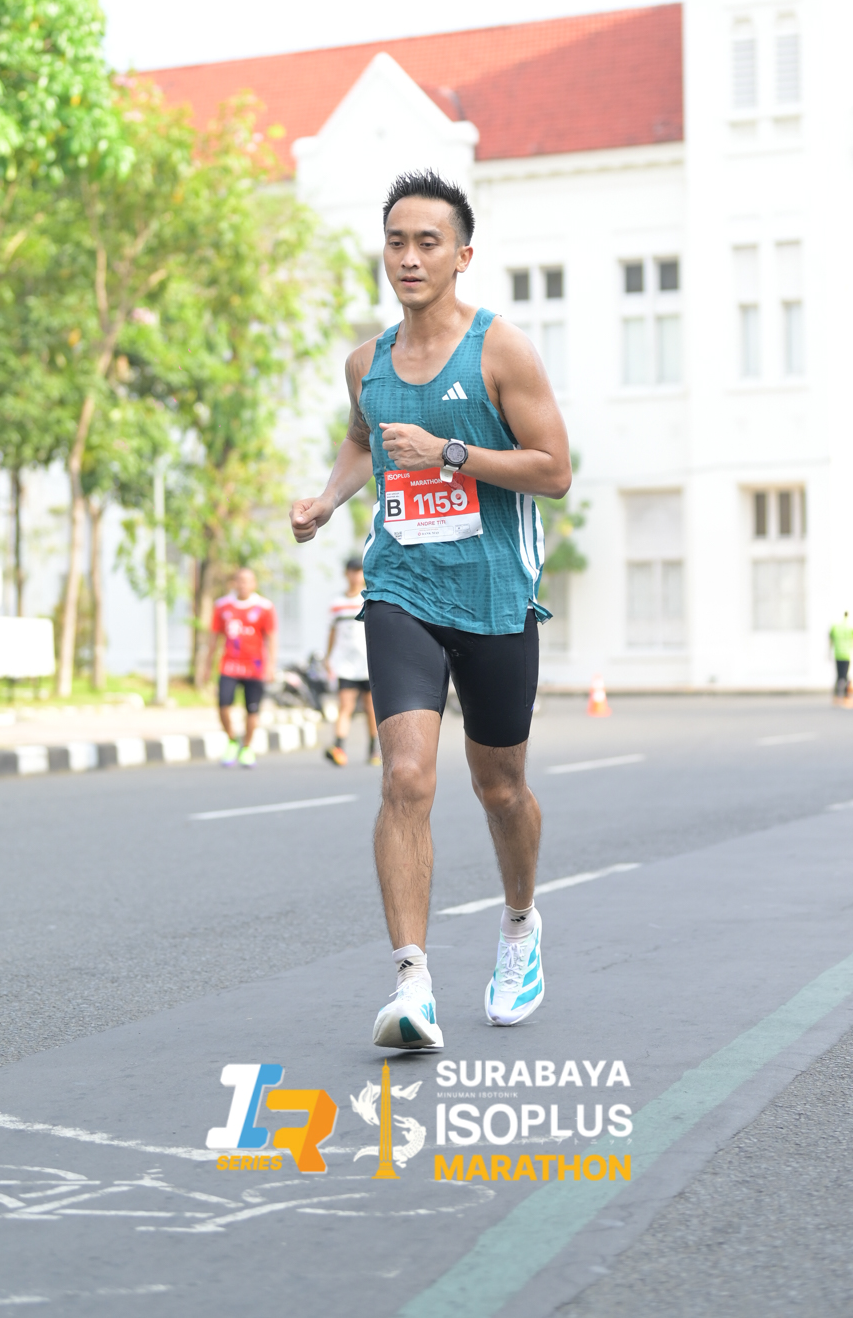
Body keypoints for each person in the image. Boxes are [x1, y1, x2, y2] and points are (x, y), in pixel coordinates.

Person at [290, 168, 571, 1050]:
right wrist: (328, 500)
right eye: (396, 242)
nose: (409, 258)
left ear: (461, 256)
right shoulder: (365, 365)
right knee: (406, 777)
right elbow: (363, 438)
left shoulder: (501, 351)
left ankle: (520, 924)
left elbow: (554, 470)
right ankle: (412, 982)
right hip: (401, 586)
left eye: (428, 243)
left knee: (500, 787)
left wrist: (450, 453)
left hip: (493, 593)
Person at [210, 568, 277, 767]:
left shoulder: (264, 607)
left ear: (254, 583)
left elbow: (272, 638)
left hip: (254, 667)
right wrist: (207, 665)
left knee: (252, 710)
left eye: (247, 581)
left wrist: (271, 666)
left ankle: (247, 747)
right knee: (223, 704)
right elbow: (214, 637)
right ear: (234, 583)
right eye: (239, 580)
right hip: (229, 666)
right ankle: (232, 740)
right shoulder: (222, 606)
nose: (243, 585)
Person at [325, 557, 379, 767]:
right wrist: (329, 657)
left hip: (367, 661)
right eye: (352, 571)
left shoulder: (369, 597)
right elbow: (332, 632)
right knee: (345, 705)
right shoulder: (336, 603)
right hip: (345, 664)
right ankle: (339, 747)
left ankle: (374, 749)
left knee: (370, 707)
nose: (355, 576)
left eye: (359, 571)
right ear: (346, 574)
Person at [830, 610, 853, 707]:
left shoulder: (835, 626)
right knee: (845, 676)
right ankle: (846, 697)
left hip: (837, 653)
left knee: (839, 676)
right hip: (846, 654)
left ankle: (836, 697)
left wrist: (829, 651)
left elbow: (831, 639)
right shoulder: (850, 626)